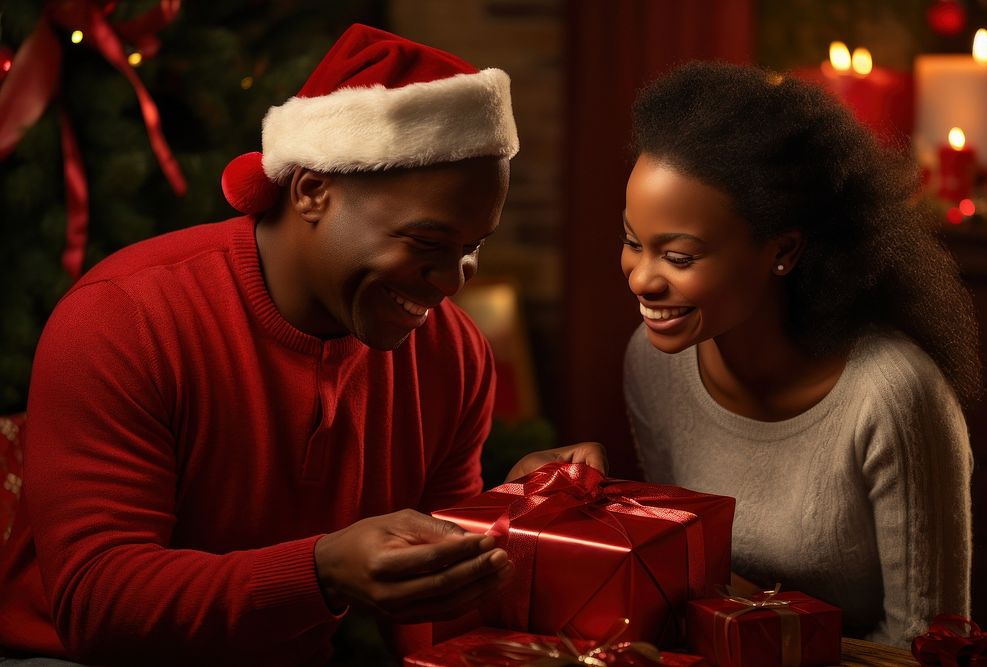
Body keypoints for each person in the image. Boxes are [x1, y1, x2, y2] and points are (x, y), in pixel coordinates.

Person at [0, 24, 604, 665]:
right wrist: (319, 573)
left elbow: (437, 609)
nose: (454, 282)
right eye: (428, 244)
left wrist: (518, 519)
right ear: (312, 189)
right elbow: (97, 603)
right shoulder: (123, 319)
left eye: (472, 248)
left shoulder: (450, 354)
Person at [621, 61, 978, 648]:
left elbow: (927, 648)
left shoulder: (891, 395)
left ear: (783, 250)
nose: (641, 280)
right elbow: (689, 584)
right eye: (633, 243)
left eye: (679, 257)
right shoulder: (654, 360)